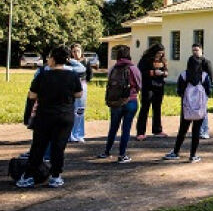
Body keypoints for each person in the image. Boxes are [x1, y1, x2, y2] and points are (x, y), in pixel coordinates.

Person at [16, 46, 83, 188]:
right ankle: (55, 177)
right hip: (65, 116)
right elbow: (79, 94)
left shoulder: (43, 75)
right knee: (58, 148)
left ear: (52, 59)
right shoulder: (72, 76)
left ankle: (28, 176)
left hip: (45, 115)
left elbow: (32, 95)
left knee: (38, 146)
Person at [163, 54, 212, 162]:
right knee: (196, 131)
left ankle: (176, 152)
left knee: (182, 130)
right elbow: (209, 91)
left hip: (187, 108)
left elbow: (179, 91)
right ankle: (193, 155)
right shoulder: (204, 76)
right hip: (199, 108)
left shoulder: (183, 75)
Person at [99, 45, 142, 163]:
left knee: (113, 127)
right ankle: (122, 154)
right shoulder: (133, 68)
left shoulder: (113, 68)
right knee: (126, 128)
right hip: (130, 100)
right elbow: (139, 85)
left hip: (115, 101)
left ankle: (106, 151)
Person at [135, 44, 168, 141]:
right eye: (158, 53)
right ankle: (140, 132)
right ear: (153, 52)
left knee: (157, 108)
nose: (159, 55)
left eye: (161, 54)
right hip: (148, 87)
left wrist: (164, 73)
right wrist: (153, 73)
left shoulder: (163, 61)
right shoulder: (145, 60)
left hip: (159, 86)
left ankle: (157, 130)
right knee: (145, 108)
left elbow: (165, 70)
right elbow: (140, 72)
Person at [68, 44, 92, 143]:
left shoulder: (86, 62)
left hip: (82, 87)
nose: (76, 53)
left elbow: (90, 75)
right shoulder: (69, 63)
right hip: (70, 88)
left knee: (80, 111)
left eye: (78, 51)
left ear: (81, 51)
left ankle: (79, 134)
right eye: (73, 51)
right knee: (70, 110)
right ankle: (70, 134)